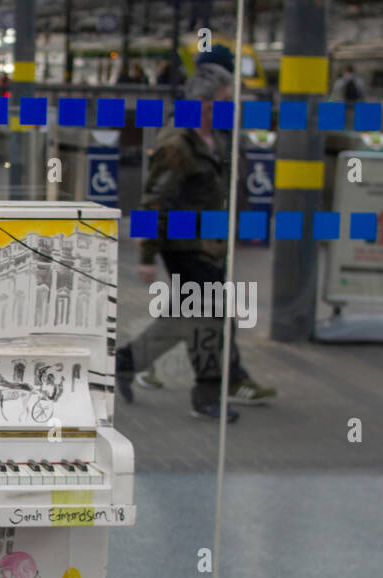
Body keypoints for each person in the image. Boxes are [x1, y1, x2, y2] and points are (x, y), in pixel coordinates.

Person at [115, 56, 277, 421]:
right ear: (207, 104)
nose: (231, 105)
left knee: (190, 315)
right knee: (211, 317)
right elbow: (153, 198)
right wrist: (146, 254)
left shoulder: (215, 137)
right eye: (225, 98)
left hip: (209, 243)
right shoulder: (180, 140)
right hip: (183, 244)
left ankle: (125, 361)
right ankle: (206, 395)